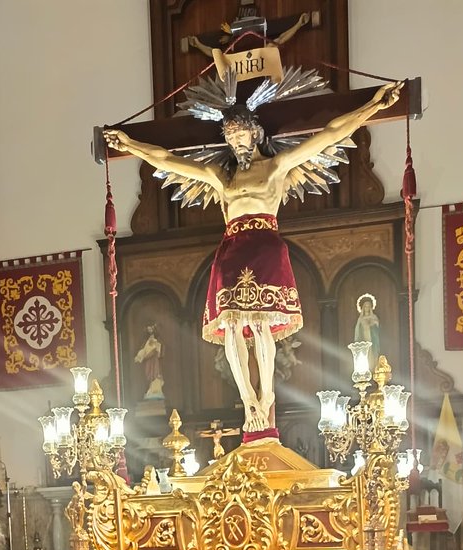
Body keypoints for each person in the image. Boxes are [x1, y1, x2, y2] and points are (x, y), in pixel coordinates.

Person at [104, 80, 402, 436]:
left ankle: (266, 397)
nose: (234, 141)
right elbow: (168, 160)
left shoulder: (277, 166)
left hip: (264, 245)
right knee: (231, 327)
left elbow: (329, 134)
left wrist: (373, 106)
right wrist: (129, 144)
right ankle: (248, 400)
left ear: (255, 133)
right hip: (231, 251)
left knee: (261, 327)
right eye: (229, 135)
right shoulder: (220, 176)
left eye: (240, 133)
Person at [133, 324, 165, 399]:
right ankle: (150, 390)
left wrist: (156, 351)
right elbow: (143, 351)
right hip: (148, 362)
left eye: (151, 330)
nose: (150, 333)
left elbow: (159, 353)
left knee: (156, 375)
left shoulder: (157, 342)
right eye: (149, 330)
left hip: (155, 362)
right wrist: (139, 357)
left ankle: (156, 391)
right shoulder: (146, 342)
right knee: (149, 375)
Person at [354, 293, 381, 369]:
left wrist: (373, 325)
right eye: (365, 306)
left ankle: (374, 369)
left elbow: (378, 329)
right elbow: (357, 331)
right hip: (364, 339)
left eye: (369, 306)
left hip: (373, 339)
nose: (367, 308)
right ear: (363, 308)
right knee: (365, 354)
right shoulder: (360, 319)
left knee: (373, 354)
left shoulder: (374, 317)